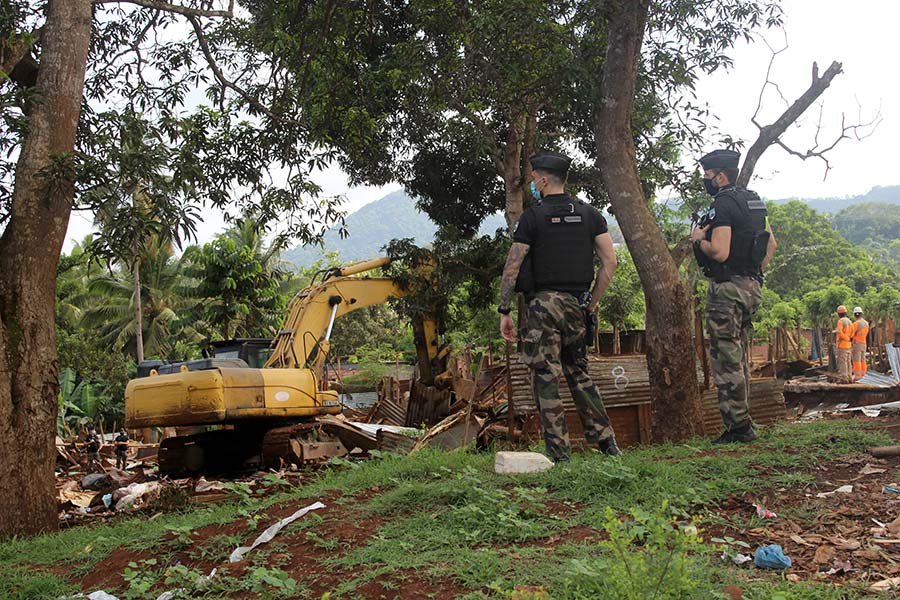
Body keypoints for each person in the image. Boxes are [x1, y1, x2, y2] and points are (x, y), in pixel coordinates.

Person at [498, 150, 620, 463]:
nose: (533, 184)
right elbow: (610, 261)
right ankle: (608, 444)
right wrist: (591, 303)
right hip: (576, 304)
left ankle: (559, 453)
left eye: (534, 179)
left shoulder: (532, 217)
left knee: (545, 376)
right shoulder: (591, 214)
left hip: (543, 306)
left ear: (542, 179)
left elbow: (513, 266)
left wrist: (505, 311)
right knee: (579, 373)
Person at [691, 149, 777, 444]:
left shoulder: (723, 205)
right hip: (752, 285)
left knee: (726, 356)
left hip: (727, 288)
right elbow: (771, 245)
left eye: (707, 176)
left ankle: (738, 427)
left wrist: (699, 240)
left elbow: (720, 251)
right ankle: (743, 421)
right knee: (739, 354)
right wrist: (752, 272)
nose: (706, 180)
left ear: (720, 176)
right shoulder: (754, 201)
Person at [851, 306, 869, 381]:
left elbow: (851, 334)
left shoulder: (856, 323)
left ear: (855, 315)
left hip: (857, 344)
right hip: (864, 343)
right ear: (861, 314)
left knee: (857, 360)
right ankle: (863, 374)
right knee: (863, 360)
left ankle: (857, 376)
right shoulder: (866, 323)